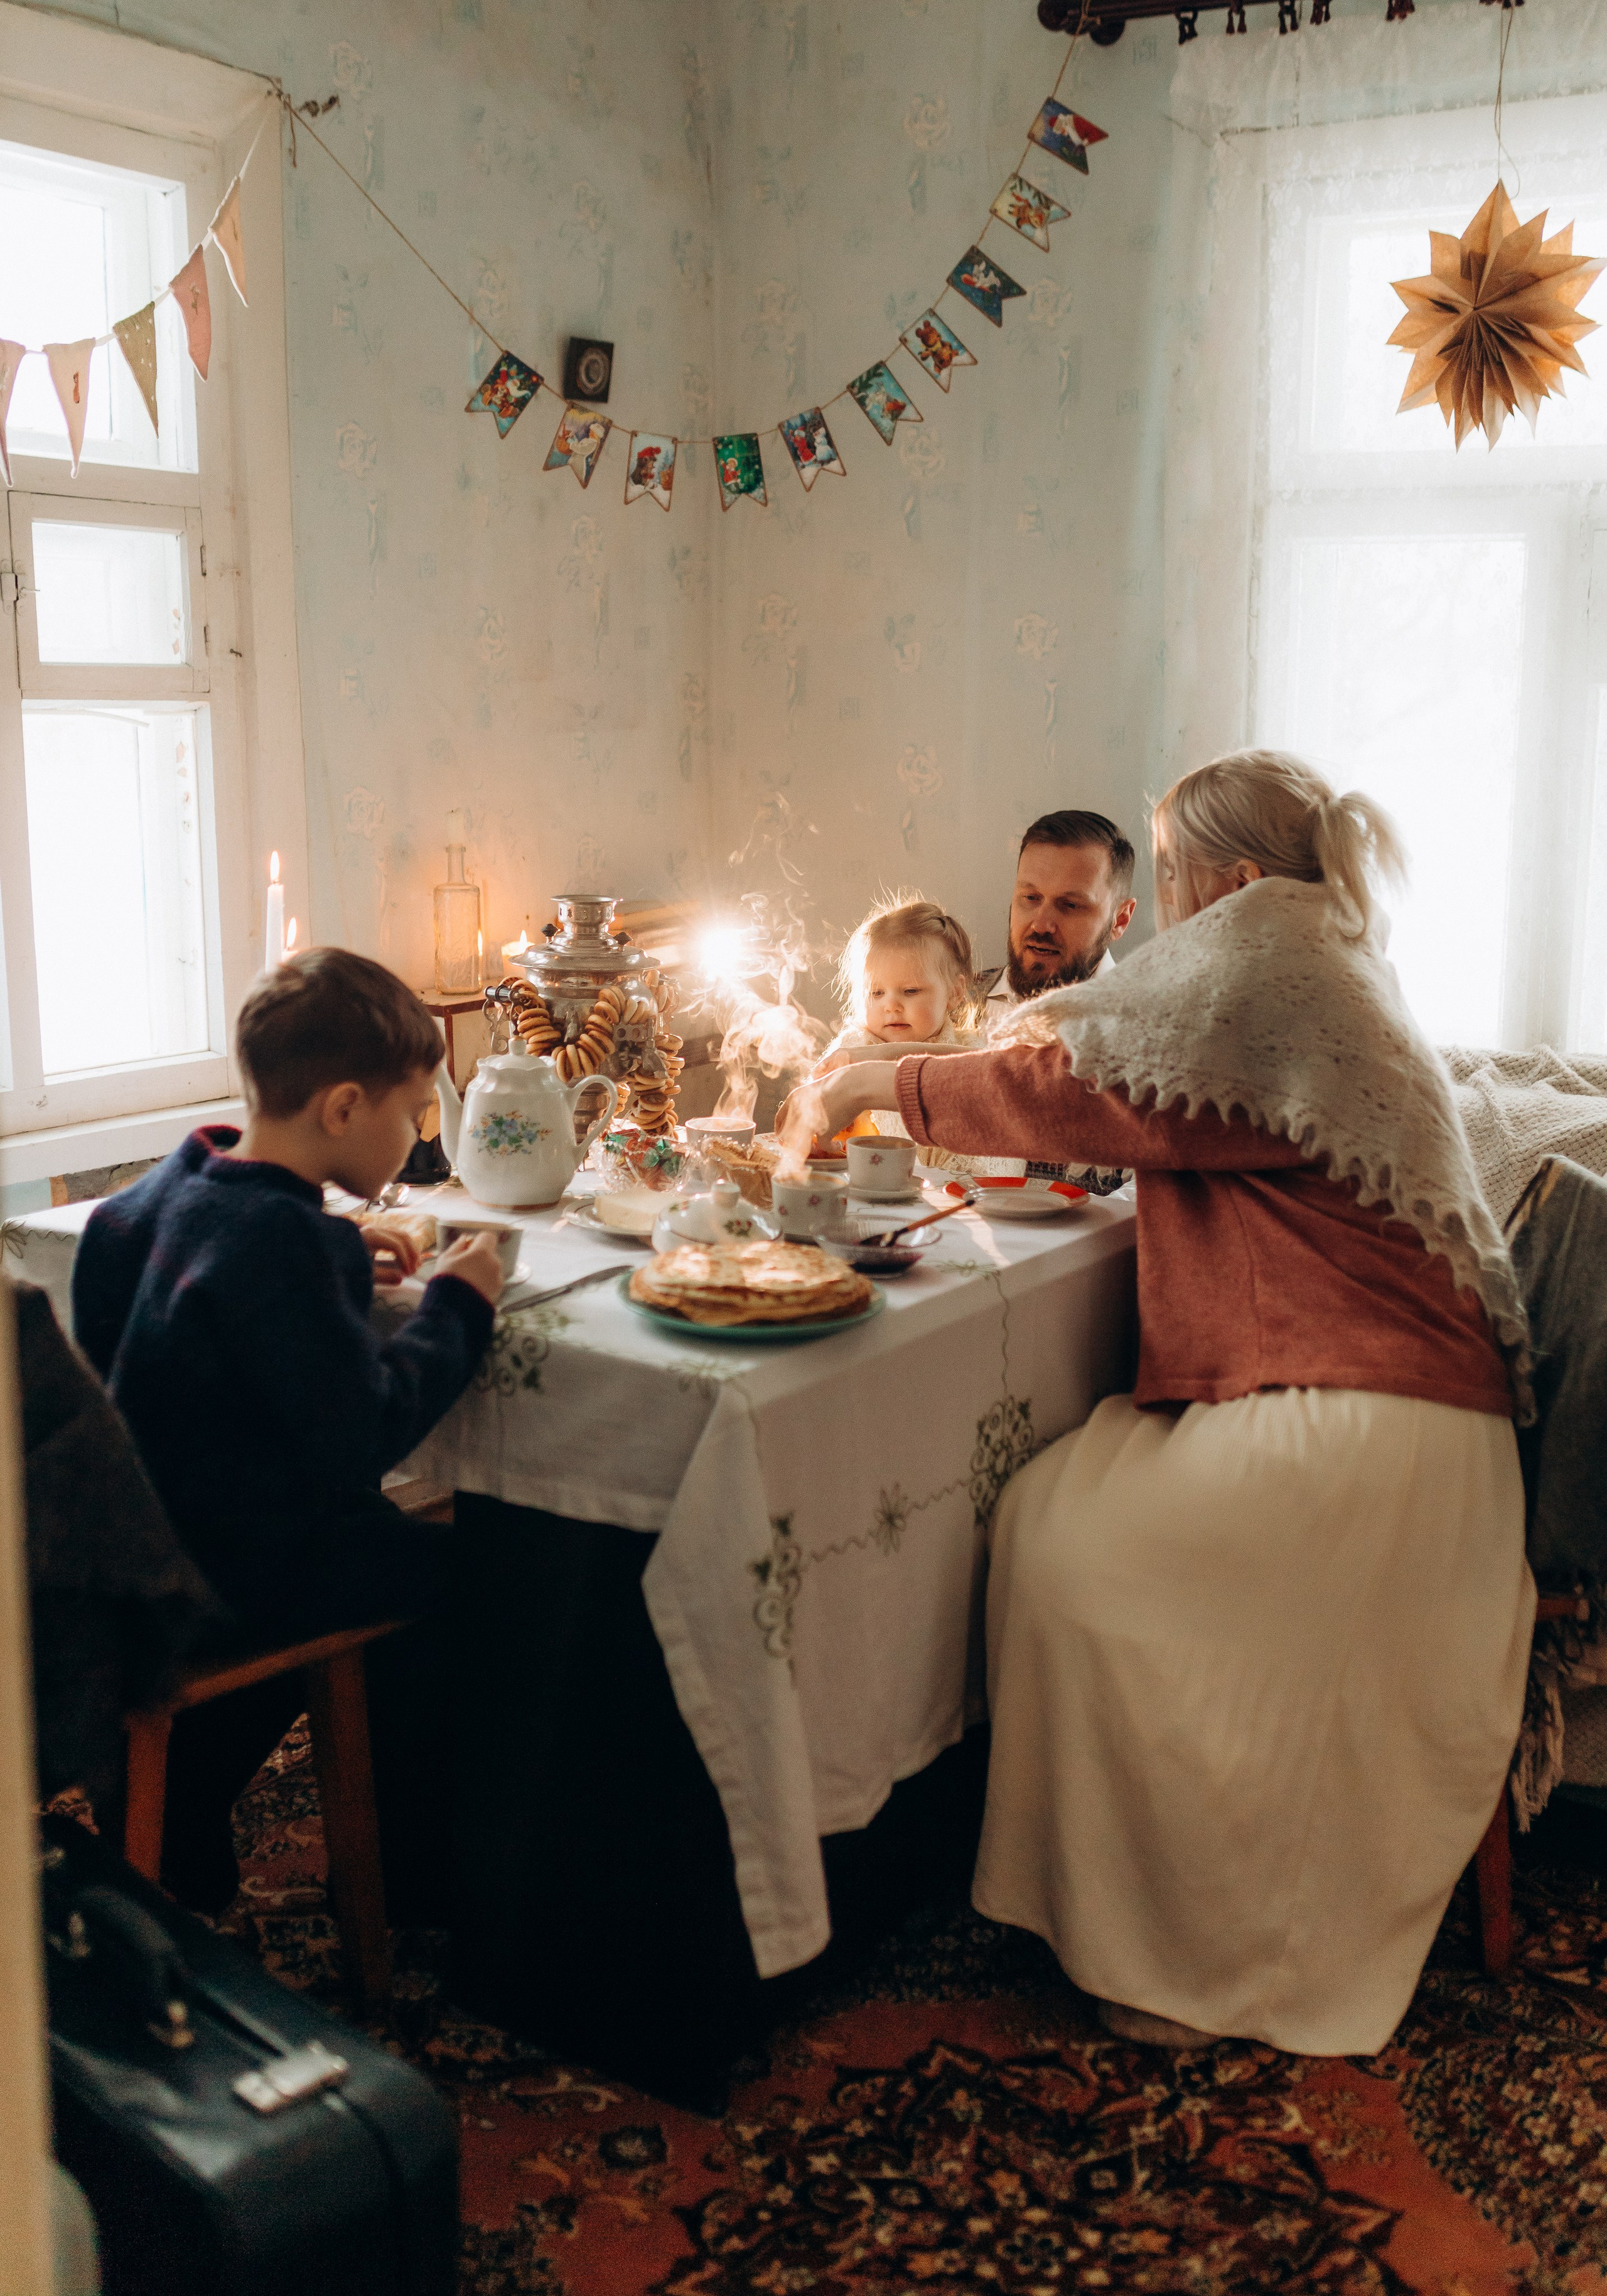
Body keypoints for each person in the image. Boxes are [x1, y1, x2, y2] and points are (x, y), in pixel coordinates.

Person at [787, 750, 1534, 2056]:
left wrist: (864, 1082)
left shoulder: (1273, 964)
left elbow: (1085, 1093)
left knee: (1091, 1568)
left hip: (1362, 1421)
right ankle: (1084, 1893)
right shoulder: (1315, 951)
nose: (1173, 903)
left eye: (1173, 870)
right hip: (1371, 1396)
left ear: (1231, 879)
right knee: (1035, 1507)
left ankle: (1200, 1944)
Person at [71, 946, 504, 1908]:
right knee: (479, 1568)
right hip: (240, 1567)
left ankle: (184, 1792)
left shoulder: (173, 1185)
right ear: (345, 1108)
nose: (418, 1134)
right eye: (414, 1111)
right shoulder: (283, 1244)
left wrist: (337, 1246)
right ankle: (426, 1865)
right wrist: (460, 1307)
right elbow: (364, 1437)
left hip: (137, 1549)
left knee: (362, 1551)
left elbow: (203, 1263)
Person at [818, 895, 997, 1177]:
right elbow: (815, 1111)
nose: (891, 1005)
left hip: (956, 1197)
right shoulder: (852, 1048)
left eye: (911, 991)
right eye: (877, 993)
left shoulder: (971, 1051)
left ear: (955, 992)